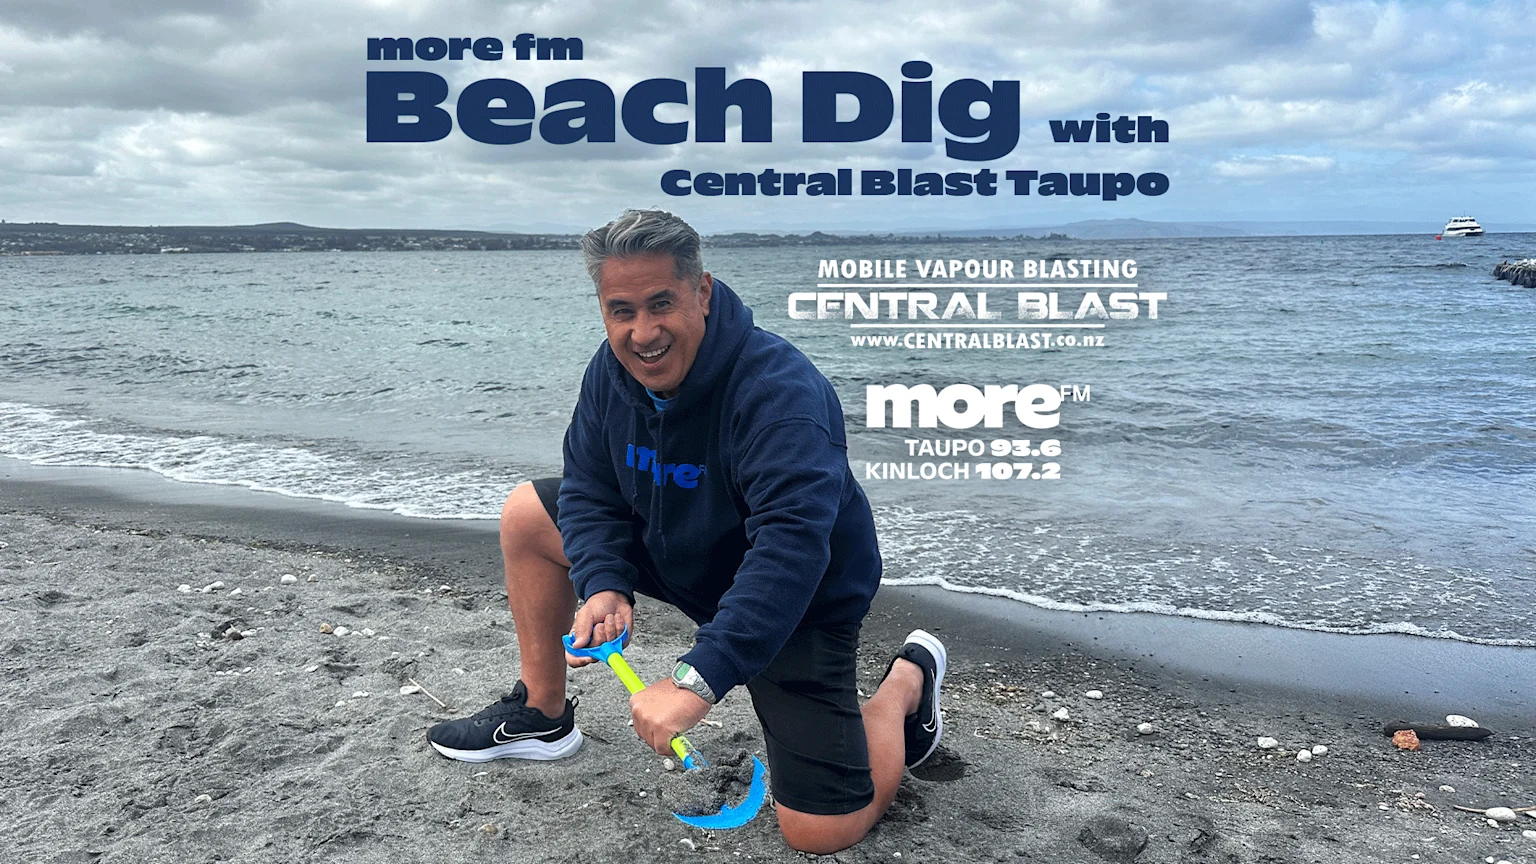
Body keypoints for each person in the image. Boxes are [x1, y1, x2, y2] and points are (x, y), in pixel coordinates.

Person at [425, 209, 946, 854]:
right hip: (681, 551)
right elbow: (589, 486)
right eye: (621, 311)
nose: (643, 333)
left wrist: (699, 678)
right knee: (530, 513)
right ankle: (543, 714)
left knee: (819, 833)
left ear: (702, 292)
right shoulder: (610, 373)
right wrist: (604, 584)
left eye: (661, 303)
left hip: (799, 595)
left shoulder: (779, 392)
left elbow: (790, 550)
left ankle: (904, 685)